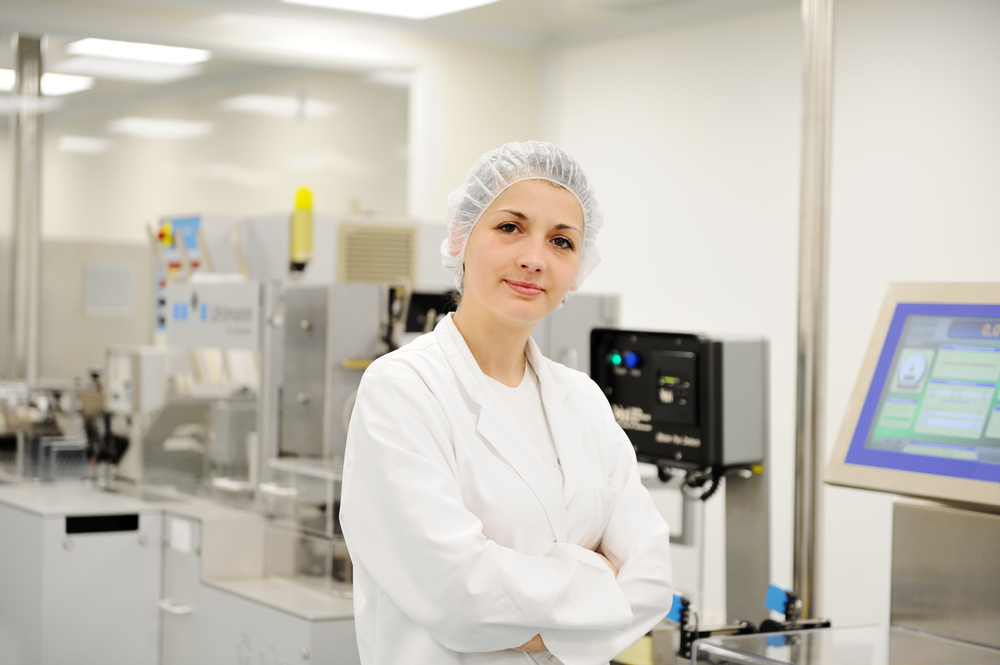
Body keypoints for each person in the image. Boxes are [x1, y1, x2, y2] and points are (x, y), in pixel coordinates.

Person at [339, 141, 673, 665]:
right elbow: (460, 598)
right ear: (460, 237)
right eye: (510, 227)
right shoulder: (402, 388)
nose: (533, 259)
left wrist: (524, 608)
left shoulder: (582, 399)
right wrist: (600, 583)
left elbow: (652, 581)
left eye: (562, 241)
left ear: (577, 271)